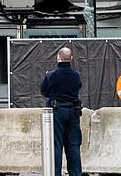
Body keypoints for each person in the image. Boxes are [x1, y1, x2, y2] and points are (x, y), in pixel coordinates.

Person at [40, 46, 83, 176]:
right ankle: (75, 174)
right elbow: (78, 88)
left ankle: (55, 173)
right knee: (73, 146)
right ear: (71, 59)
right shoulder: (77, 75)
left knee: (56, 146)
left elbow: (44, 91)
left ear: (58, 58)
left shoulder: (51, 75)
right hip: (73, 112)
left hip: (57, 111)